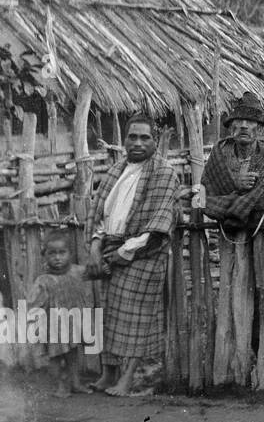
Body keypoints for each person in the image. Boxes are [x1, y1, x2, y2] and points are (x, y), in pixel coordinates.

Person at [85, 113, 180, 397]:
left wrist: (125, 252)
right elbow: (100, 213)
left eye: (144, 137)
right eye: (132, 137)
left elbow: (158, 226)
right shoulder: (116, 170)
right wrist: (94, 246)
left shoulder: (164, 173)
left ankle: (128, 380)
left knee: (135, 316)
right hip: (110, 247)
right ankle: (108, 374)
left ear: (155, 140)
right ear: (124, 140)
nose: (137, 143)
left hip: (143, 253)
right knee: (108, 313)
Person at [200, 92, 264, 238]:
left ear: (260, 128)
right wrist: (235, 184)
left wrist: (233, 199)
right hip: (227, 232)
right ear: (231, 127)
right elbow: (206, 196)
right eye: (239, 120)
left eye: (249, 121)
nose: (243, 126)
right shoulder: (219, 154)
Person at [28, 232, 92, 397]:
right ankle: (61, 384)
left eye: (62, 253)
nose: (57, 257)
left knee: (73, 354)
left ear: (70, 254)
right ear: (45, 256)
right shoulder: (43, 280)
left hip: (73, 322)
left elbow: (96, 271)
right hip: (53, 327)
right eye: (52, 253)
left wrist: (104, 268)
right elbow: (34, 303)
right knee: (55, 357)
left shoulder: (78, 271)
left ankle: (76, 382)